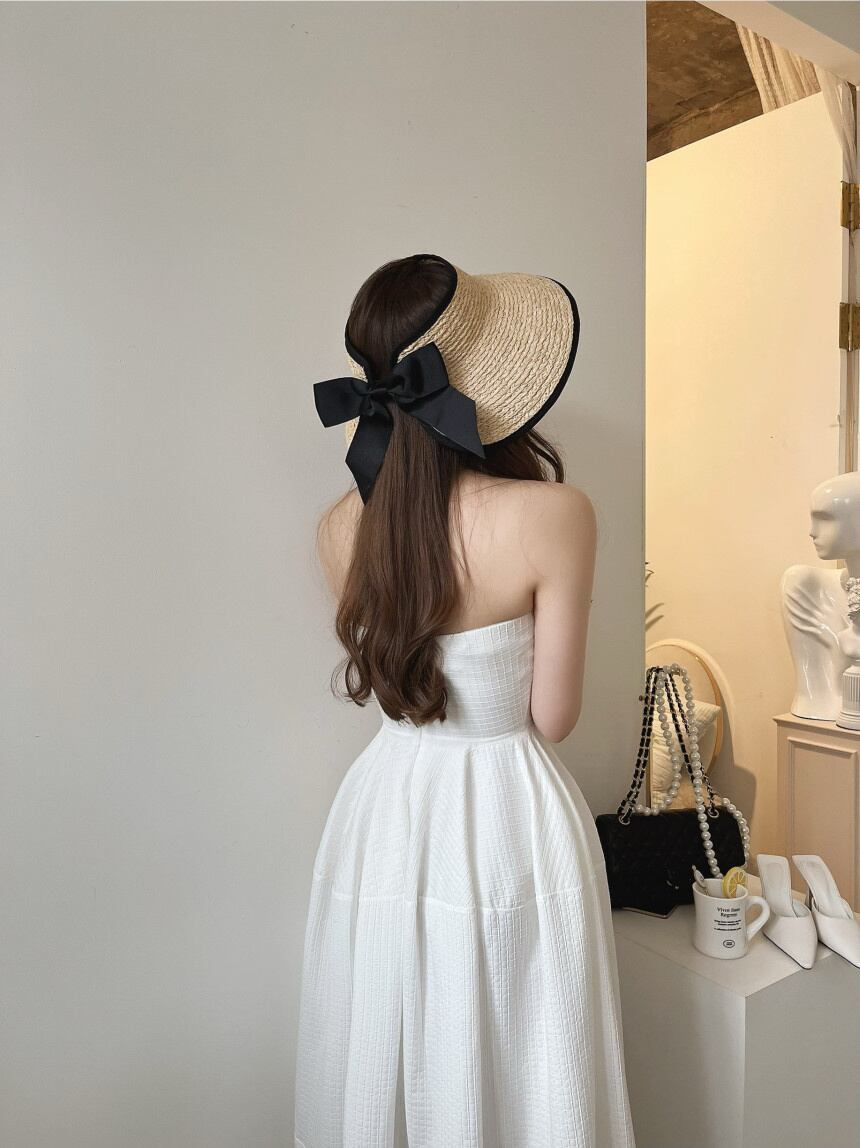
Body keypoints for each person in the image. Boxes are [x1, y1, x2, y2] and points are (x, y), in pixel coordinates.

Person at [294, 253, 636, 1147]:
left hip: (388, 809)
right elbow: (551, 717)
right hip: (507, 813)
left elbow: (401, 681)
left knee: (396, 1030)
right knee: (525, 1050)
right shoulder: (554, 515)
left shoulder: (337, 530)